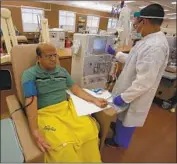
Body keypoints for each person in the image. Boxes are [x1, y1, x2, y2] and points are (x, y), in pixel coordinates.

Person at [21, 43, 108, 162]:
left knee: (88, 131)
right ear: (38, 58)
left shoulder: (62, 71)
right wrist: (35, 130)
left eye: (55, 55)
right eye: (48, 56)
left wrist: (94, 100)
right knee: (62, 144)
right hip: (45, 113)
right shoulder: (30, 74)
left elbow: (75, 88)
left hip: (66, 109)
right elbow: (31, 100)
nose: (53, 59)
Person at [105, 4, 169, 148]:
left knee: (128, 120)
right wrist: (116, 54)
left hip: (135, 95)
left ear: (144, 21)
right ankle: (118, 132)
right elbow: (133, 60)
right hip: (130, 91)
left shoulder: (155, 47)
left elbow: (144, 82)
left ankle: (119, 142)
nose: (135, 27)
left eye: (136, 24)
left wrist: (123, 97)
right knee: (122, 118)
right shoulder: (148, 40)